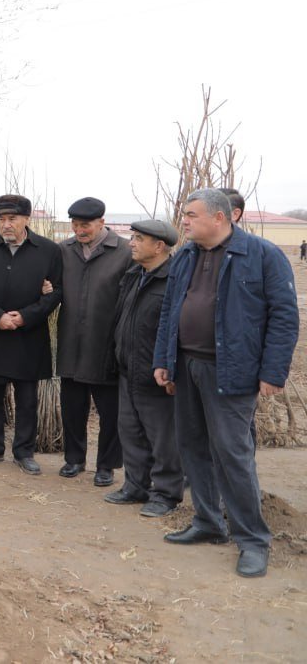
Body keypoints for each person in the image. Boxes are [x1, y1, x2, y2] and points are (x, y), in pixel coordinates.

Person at [153, 188, 299, 578]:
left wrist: (273, 371)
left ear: (221, 218)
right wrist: (163, 360)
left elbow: (284, 316)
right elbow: (170, 310)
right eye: (184, 213)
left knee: (232, 454)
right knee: (193, 447)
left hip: (232, 372)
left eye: (191, 214)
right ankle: (208, 522)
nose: (183, 220)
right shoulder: (185, 255)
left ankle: (252, 539)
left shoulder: (262, 256)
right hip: (186, 366)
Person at [0, 194, 63, 474]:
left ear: (27, 220)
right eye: (1, 219)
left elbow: (56, 291)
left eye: (12, 219)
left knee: (27, 398)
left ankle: (24, 451)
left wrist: (26, 316)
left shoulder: (48, 251)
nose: (6, 225)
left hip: (28, 336)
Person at [105, 219, 182, 518]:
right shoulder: (134, 274)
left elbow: (178, 330)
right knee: (131, 433)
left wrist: (171, 369)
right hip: (129, 370)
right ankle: (135, 486)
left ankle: (165, 494)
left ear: (159, 246)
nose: (131, 243)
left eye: (138, 238)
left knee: (164, 439)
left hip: (158, 375)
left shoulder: (175, 279)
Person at [56, 197, 133, 486]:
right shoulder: (64, 250)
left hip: (107, 345)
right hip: (71, 344)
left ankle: (106, 466)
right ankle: (74, 459)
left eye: (85, 225)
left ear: (102, 222)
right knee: (72, 407)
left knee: (110, 412)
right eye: (75, 225)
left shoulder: (124, 251)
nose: (79, 231)